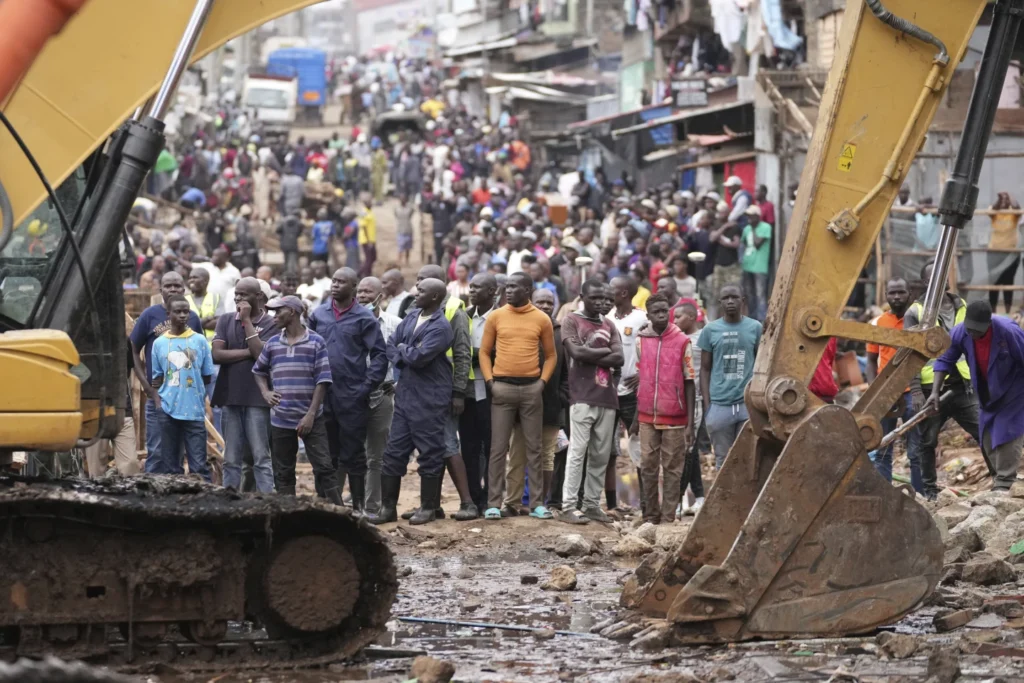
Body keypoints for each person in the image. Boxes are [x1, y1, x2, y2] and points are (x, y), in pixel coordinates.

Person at [369, 279, 455, 525]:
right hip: (406, 396)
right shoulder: (412, 315)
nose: (416, 294)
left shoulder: (441, 327)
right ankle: (388, 509)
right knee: (394, 452)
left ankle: (429, 507)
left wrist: (404, 351)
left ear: (436, 296)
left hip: (430, 398)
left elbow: (420, 358)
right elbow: (390, 345)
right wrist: (407, 350)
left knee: (429, 453)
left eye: (422, 291)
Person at [479, 271, 558, 520]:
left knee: (535, 448)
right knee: (498, 449)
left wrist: (541, 383)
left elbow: (552, 355)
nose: (508, 291)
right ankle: (494, 504)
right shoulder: (496, 316)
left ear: (528, 290)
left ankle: (536, 504)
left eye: (514, 287)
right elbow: (484, 352)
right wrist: (491, 381)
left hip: (532, 389)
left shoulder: (541, 319)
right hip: (501, 388)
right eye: (507, 287)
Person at [308, 267, 388, 510]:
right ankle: (326, 505)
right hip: (322, 395)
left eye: (342, 282)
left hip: (352, 395)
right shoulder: (318, 314)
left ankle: (359, 507)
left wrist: (366, 387)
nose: (335, 285)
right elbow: (307, 347)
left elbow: (380, 355)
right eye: (333, 281)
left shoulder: (364, 317)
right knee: (325, 455)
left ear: (353, 287)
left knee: (353, 454)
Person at [252, 296, 341, 503]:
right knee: (283, 471)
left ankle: (340, 512)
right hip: (281, 418)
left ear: (292, 312)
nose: (274, 317)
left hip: (311, 419)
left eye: (278, 311)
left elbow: (323, 380)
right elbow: (258, 371)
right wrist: (266, 393)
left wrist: (310, 415)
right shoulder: (273, 343)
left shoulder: (316, 342)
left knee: (324, 468)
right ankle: (288, 516)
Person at [904, 261, 980, 500]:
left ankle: (1000, 482)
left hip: (963, 385)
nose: (943, 280)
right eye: (936, 277)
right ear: (927, 283)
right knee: (927, 442)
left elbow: (972, 344)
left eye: (944, 275)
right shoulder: (915, 313)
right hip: (929, 388)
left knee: (984, 431)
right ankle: (930, 492)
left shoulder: (962, 305)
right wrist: (916, 391)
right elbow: (909, 355)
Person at [930, 300, 1024, 491]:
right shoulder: (959, 332)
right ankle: (998, 477)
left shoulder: (1008, 331)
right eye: (970, 330)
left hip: (1013, 389)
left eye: (978, 331)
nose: (973, 334)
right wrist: (934, 392)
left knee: (1007, 431)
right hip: (986, 389)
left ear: (989, 323)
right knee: (987, 433)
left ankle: (1005, 482)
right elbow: (945, 360)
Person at [560, 280, 624, 525]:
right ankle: (568, 506)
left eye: (603, 298)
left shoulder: (609, 324)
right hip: (582, 396)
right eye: (594, 297)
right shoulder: (571, 321)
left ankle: (591, 505)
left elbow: (620, 357)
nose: (599, 302)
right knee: (578, 450)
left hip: (607, 397)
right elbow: (576, 353)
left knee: (600, 454)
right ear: (582, 296)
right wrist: (605, 354)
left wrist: (594, 356)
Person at [504, 288, 568, 515]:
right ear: (532, 301)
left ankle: (538, 503)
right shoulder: (522, 325)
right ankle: (512, 503)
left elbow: (566, 371)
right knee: (518, 455)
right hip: (522, 403)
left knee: (546, 457)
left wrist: (562, 397)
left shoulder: (560, 331)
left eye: (550, 302)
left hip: (551, 405)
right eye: (541, 301)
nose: (546, 306)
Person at [631, 294, 695, 524]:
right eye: (656, 312)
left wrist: (689, 422)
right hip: (647, 414)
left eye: (664, 311)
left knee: (672, 467)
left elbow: (690, 381)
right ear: (648, 315)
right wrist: (636, 416)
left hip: (675, 416)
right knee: (647, 464)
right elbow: (641, 377)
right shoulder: (640, 340)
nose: (661, 315)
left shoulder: (682, 341)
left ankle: (668, 517)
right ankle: (650, 515)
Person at [211, 276, 278, 493]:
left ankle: (268, 502)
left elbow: (261, 356)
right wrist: (250, 352)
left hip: (257, 398)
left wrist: (247, 321)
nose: (238, 297)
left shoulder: (271, 323)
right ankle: (229, 502)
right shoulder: (226, 320)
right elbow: (217, 355)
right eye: (237, 293)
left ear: (258, 296)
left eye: (244, 294)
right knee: (231, 457)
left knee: (261, 456)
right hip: (231, 396)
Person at [130, 272, 204, 464]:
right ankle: (155, 491)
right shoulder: (149, 315)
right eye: (168, 285)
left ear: (184, 289)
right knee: (156, 451)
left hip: (185, 398)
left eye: (177, 286)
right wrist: (147, 386)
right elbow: (133, 349)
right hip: (158, 396)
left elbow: (200, 355)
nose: (173, 289)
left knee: (178, 454)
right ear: (160, 289)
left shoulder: (193, 318)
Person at [149, 295, 214, 480]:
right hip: (168, 410)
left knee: (199, 467)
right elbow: (157, 378)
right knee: (170, 467)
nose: (183, 315)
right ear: (169, 314)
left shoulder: (200, 341)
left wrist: (197, 395)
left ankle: (204, 503)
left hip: (194, 411)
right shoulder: (159, 343)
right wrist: (159, 403)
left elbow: (207, 375)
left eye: (186, 311)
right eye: (178, 312)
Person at [699, 284, 762, 469]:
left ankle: (748, 498)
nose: (730, 302)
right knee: (723, 461)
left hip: (747, 405)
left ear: (742, 301)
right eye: (726, 298)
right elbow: (705, 369)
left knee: (749, 459)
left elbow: (761, 364)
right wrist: (707, 404)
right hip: (719, 405)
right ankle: (724, 499)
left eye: (734, 297)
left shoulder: (755, 328)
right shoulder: (710, 330)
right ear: (720, 303)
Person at [865, 278, 920, 486]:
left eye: (901, 293)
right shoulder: (878, 323)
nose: (896, 297)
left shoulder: (917, 320)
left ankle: (921, 497)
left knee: (916, 450)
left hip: (911, 391)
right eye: (892, 293)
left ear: (910, 294)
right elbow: (871, 360)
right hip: (885, 392)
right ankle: (884, 491)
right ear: (885, 295)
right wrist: (874, 389)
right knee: (881, 448)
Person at [357, 276, 401, 515]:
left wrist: (397, 383)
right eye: (360, 292)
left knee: (377, 454)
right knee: (355, 452)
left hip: (382, 393)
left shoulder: (395, 323)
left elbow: (405, 358)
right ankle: (357, 500)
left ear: (379, 296)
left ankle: (373, 505)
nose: (362, 296)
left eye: (367, 292)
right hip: (353, 395)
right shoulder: (350, 322)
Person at [609, 276, 647, 512]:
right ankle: (612, 504)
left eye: (611, 289)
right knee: (608, 449)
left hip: (633, 392)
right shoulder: (607, 317)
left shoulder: (641, 318)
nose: (607, 293)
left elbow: (651, 348)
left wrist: (643, 373)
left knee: (638, 446)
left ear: (623, 293)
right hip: (609, 390)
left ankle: (645, 502)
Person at [461, 273, 498, 512]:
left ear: (493, 291)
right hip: (466, 391)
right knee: (469, 447)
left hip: (492, 390)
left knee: (492, 446)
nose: (472, 291)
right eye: (471, 287)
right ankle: (473, 497)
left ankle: (490, 498)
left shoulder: (501, 317)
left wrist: (475, 354)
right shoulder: (464, 316)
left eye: (478, 287)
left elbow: (498, 351)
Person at [674, 301, 705, 515]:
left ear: (692, 318)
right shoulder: (678, 338)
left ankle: (677, 501)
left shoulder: (702, 339)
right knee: (688, 450)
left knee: (688, 449)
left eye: (678, 317)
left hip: (696, 399)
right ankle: (700, 496)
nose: (674, 321)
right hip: (678, 400)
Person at [988, 191, 1021, 313]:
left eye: (1005, 200)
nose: (1003, 201)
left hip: (1010, 254)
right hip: (994, 253)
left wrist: (1010, 197)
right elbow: (992, 210)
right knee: (994, 283)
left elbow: (1018, 208)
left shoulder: (1013, 212)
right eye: (1002, 200)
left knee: (1008, 283)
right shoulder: (994, 210)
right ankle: (993, 312)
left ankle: (1007, 312)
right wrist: (999, 199)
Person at [740, 204, 771, 321]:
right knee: (749, 294)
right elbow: (743, 244)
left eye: (751, 216)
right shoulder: (746, 229)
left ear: (758, 216)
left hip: (760, 267)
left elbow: (758, 244)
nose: (749, 219)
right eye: (748, 216)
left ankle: (762, 320)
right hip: (747, 265)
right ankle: (752, 318)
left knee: (760, 294)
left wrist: (753, 228)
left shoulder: (765, 227)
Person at [276, 211, 303, 275]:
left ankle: (286, 274)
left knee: (286, 259)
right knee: (292, 260)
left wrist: (283, 235)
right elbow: (300, 231)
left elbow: (277, 230)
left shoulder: (283, 221)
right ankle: (292, 274)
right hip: (293, 243)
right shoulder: (298, 222)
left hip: (284, 243)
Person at [358, 194, 378, 277]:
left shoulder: (369, 211)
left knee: (373, 257)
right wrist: (368, 240)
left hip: (372, 239)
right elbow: (364, 227)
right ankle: (364, 274)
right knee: (369, 259)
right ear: (366, 203)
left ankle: (363, 272)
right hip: (366, 240)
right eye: (370, 202)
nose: (372, 204)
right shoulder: (364, 212)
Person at [395, 194, 415, 266]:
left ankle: (407, 261)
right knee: (400, 247)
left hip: (408, 230)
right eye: (401, 199)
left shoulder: (409, 208)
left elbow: (412, 211)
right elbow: (396, 215)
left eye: (404, 199)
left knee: (408, 248)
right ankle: (399, 262)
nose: (403, 200)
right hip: (400, 230)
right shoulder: (397, 209)